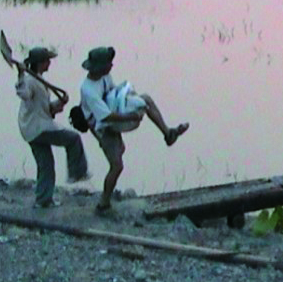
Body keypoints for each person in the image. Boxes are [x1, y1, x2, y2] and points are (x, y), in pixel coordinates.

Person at [79, 46, 189, 213]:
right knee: (116, 166)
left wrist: (130, 99)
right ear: (100, 66)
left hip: (112, 113)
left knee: (145, 100)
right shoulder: (89, 90)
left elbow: (114, 94)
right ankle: (103, 204)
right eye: (109, 63)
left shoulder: (105, 77)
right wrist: (131, 117)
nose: (112, 66)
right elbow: (105, 116)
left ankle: (168, 133)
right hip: (103, 126)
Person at [15, 47, 89, 208]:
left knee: (46, 165)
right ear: (40, 63)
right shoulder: (29, 81)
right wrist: (20, 74)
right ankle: (77, 173)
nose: (49, 63)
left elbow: (45, 109)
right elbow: (23, 93)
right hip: (37, 128)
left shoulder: (39, 80)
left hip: (34, 127)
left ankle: (43, 200)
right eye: (47, 60)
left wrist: (59, 103)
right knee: (73, 138)